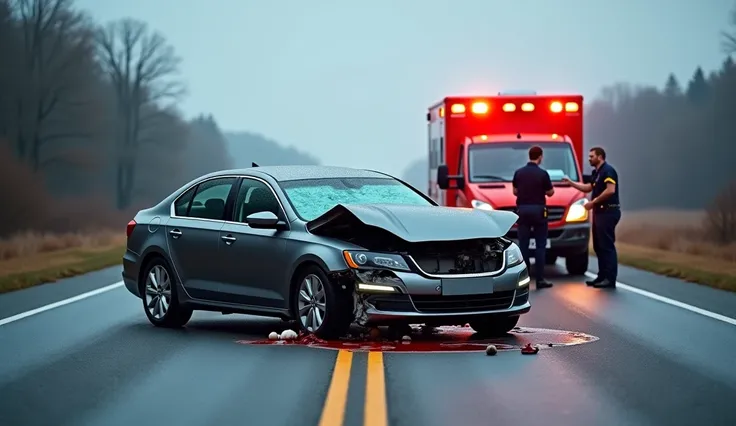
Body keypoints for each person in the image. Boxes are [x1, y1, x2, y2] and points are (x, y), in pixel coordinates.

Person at [563, 146, 620, 288]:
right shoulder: (597, 172)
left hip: (608, 212)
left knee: (607, 246)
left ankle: (610, 278)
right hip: (600, 213)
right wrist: (571, 183)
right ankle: (601, 276)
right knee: (599, 246)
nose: (589, 159)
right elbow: (588, 188)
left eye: (591, 156)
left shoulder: (608, 171)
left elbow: (610, 190)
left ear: (600, 157)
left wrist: (592, 202)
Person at [512, 146, 554, 289]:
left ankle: (524, 278)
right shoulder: (543, 174)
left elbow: (515, 191)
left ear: (529, 156)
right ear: (540, 157)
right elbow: (550, 193)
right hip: (538, 211)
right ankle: (540, 280)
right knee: (540, 245)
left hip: (522, 211)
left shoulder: (519, 173)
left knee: (523, 244)